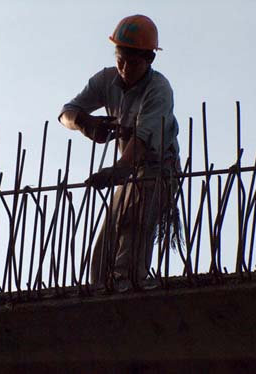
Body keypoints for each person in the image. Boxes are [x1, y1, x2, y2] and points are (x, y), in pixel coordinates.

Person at [58, 14, 181, 289]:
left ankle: (130, 285)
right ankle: (103, 290)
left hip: (157, 169)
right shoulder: (106, 79)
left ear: (150, 59)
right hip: (130, 171)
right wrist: (83, 123)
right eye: (120, 59)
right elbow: (65, 114)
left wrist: (117, 170)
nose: (125, 68)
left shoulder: (158, 90)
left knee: (134, 226)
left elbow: (140, 142)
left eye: (133, 62)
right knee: (104, 250)